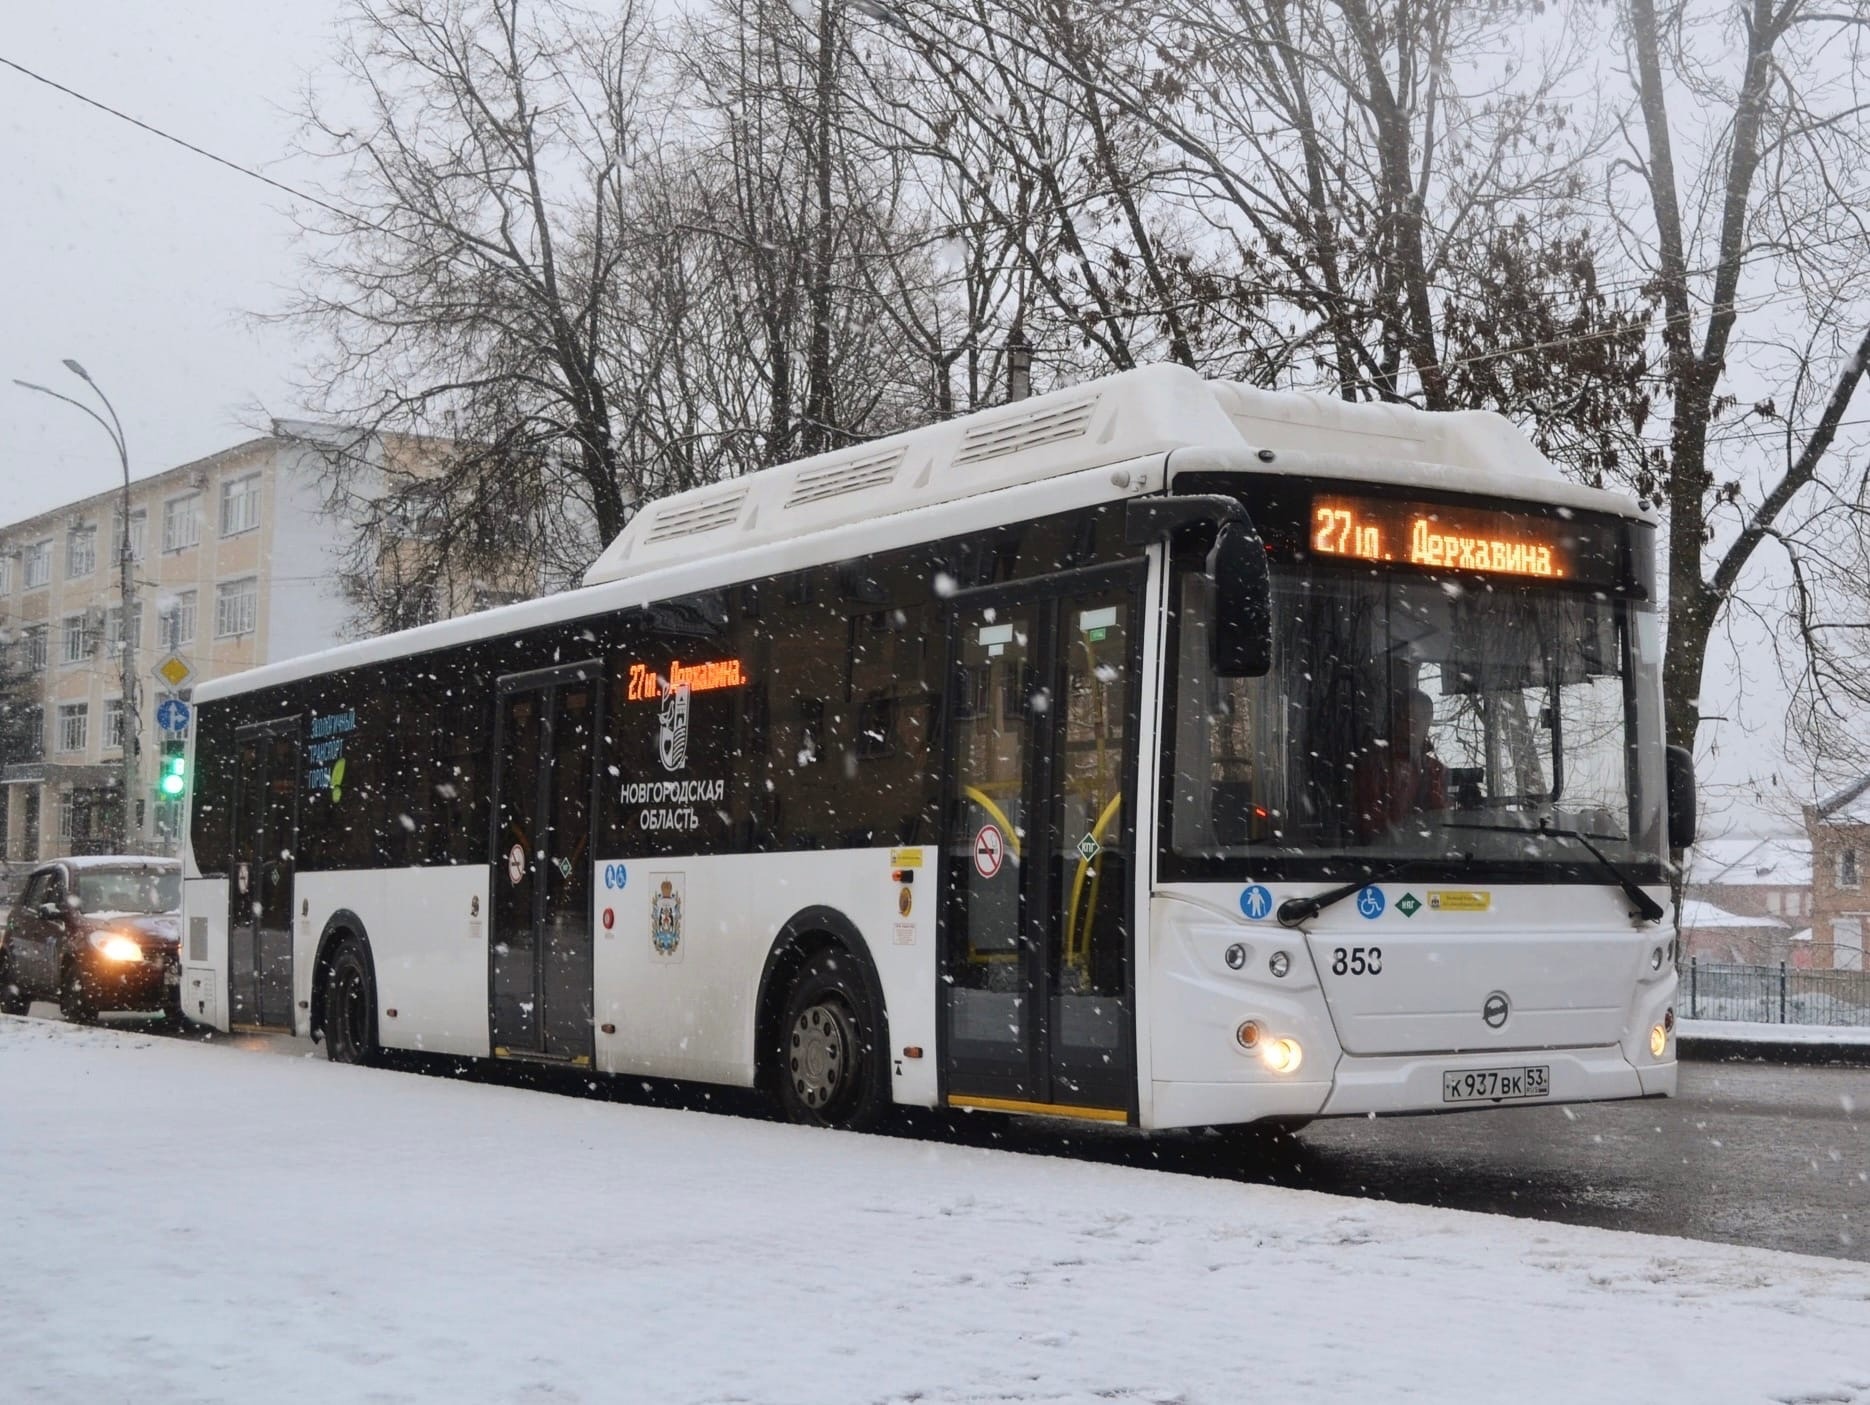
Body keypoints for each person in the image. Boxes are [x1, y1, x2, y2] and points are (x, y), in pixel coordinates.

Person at [1353, 688, 1447, 841]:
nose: (1413, 725)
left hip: (1431, 857)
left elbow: (1444, 825)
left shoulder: (1436, 769)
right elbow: (1373, 829)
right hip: (1391, 859)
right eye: (1407, 717)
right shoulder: (1376, 766)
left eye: (1422, 718)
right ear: (1395, 720)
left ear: (1429, 723)